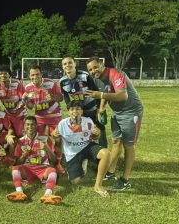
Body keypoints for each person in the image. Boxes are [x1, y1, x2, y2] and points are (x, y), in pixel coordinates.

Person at [85, 57, 144, 190]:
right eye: (90, 69)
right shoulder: (96, 79)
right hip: (117, 112)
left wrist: (100, 95)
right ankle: (111, 173)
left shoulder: (115, 74)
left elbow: (123, 95)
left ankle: (125, 180)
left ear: (102, 64)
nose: (93, 71)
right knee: (116, 142)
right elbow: (105, 93)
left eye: (95, 67)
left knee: (129, 145)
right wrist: (102, 108)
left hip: (131, 112)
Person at [54, 101, 110, 197]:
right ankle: (83, 163)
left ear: (82, 111)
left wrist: (97, 134)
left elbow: (94, 137)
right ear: (68, 112)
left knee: (106, 153)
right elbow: (57, 142)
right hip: (72, 153)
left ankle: (98, 186)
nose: (75, 111)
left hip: (87, 147)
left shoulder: (88, 121)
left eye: (78, 109)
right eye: (72, 109)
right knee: (75, 181)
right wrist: (55, 137)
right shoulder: (62, 124)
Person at [7, 116, 62, 205]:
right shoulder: (21, 141)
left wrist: (47, 149)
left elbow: (55, 161)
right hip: (28, 170)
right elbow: (17, 162)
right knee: (15, 168)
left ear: (36, 126)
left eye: (32, 124)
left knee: (53, 170)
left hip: (43, 169)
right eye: (27, 124)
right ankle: (19, 192)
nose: (30, 127)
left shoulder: (45, 139)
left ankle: (48, 195)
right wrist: (24, 156)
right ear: (24, 126)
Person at [23, 65, 65, 173]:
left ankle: (58, 164)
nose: (35, 76)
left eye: (37, 74)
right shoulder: (28, 88)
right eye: (32, 75)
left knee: (58, 140)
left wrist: (53, 97)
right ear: (29, 76)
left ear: (41, 74)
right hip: (40, 118)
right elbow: (31, 107)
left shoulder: (50, 83)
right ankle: (44, 161)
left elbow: (61, 97)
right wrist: (26, 101)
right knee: (40, 141)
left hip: (54, 116)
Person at [59, 56, 107, 148]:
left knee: (100, 128)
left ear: (74, 64)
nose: (67, 65)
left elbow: (96, 92)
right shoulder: (62, 81)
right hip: (79, 111)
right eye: (65, 64)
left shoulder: (85, 76)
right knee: (82, 131)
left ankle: (103, 151)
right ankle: (85, 151)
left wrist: (98, 109)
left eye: (70, 62)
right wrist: (70, 109)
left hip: (92, 108)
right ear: (62, 67)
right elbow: (66, 97)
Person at [0, 65, 26, 138]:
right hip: (7, 115)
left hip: (19, 114)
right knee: (10, 135)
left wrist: (22, 106)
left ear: (9, 74)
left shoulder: (17, 83)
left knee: (20, 135)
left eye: (5, 73)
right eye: (1, 73)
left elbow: (24, 97)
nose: (3, 75)